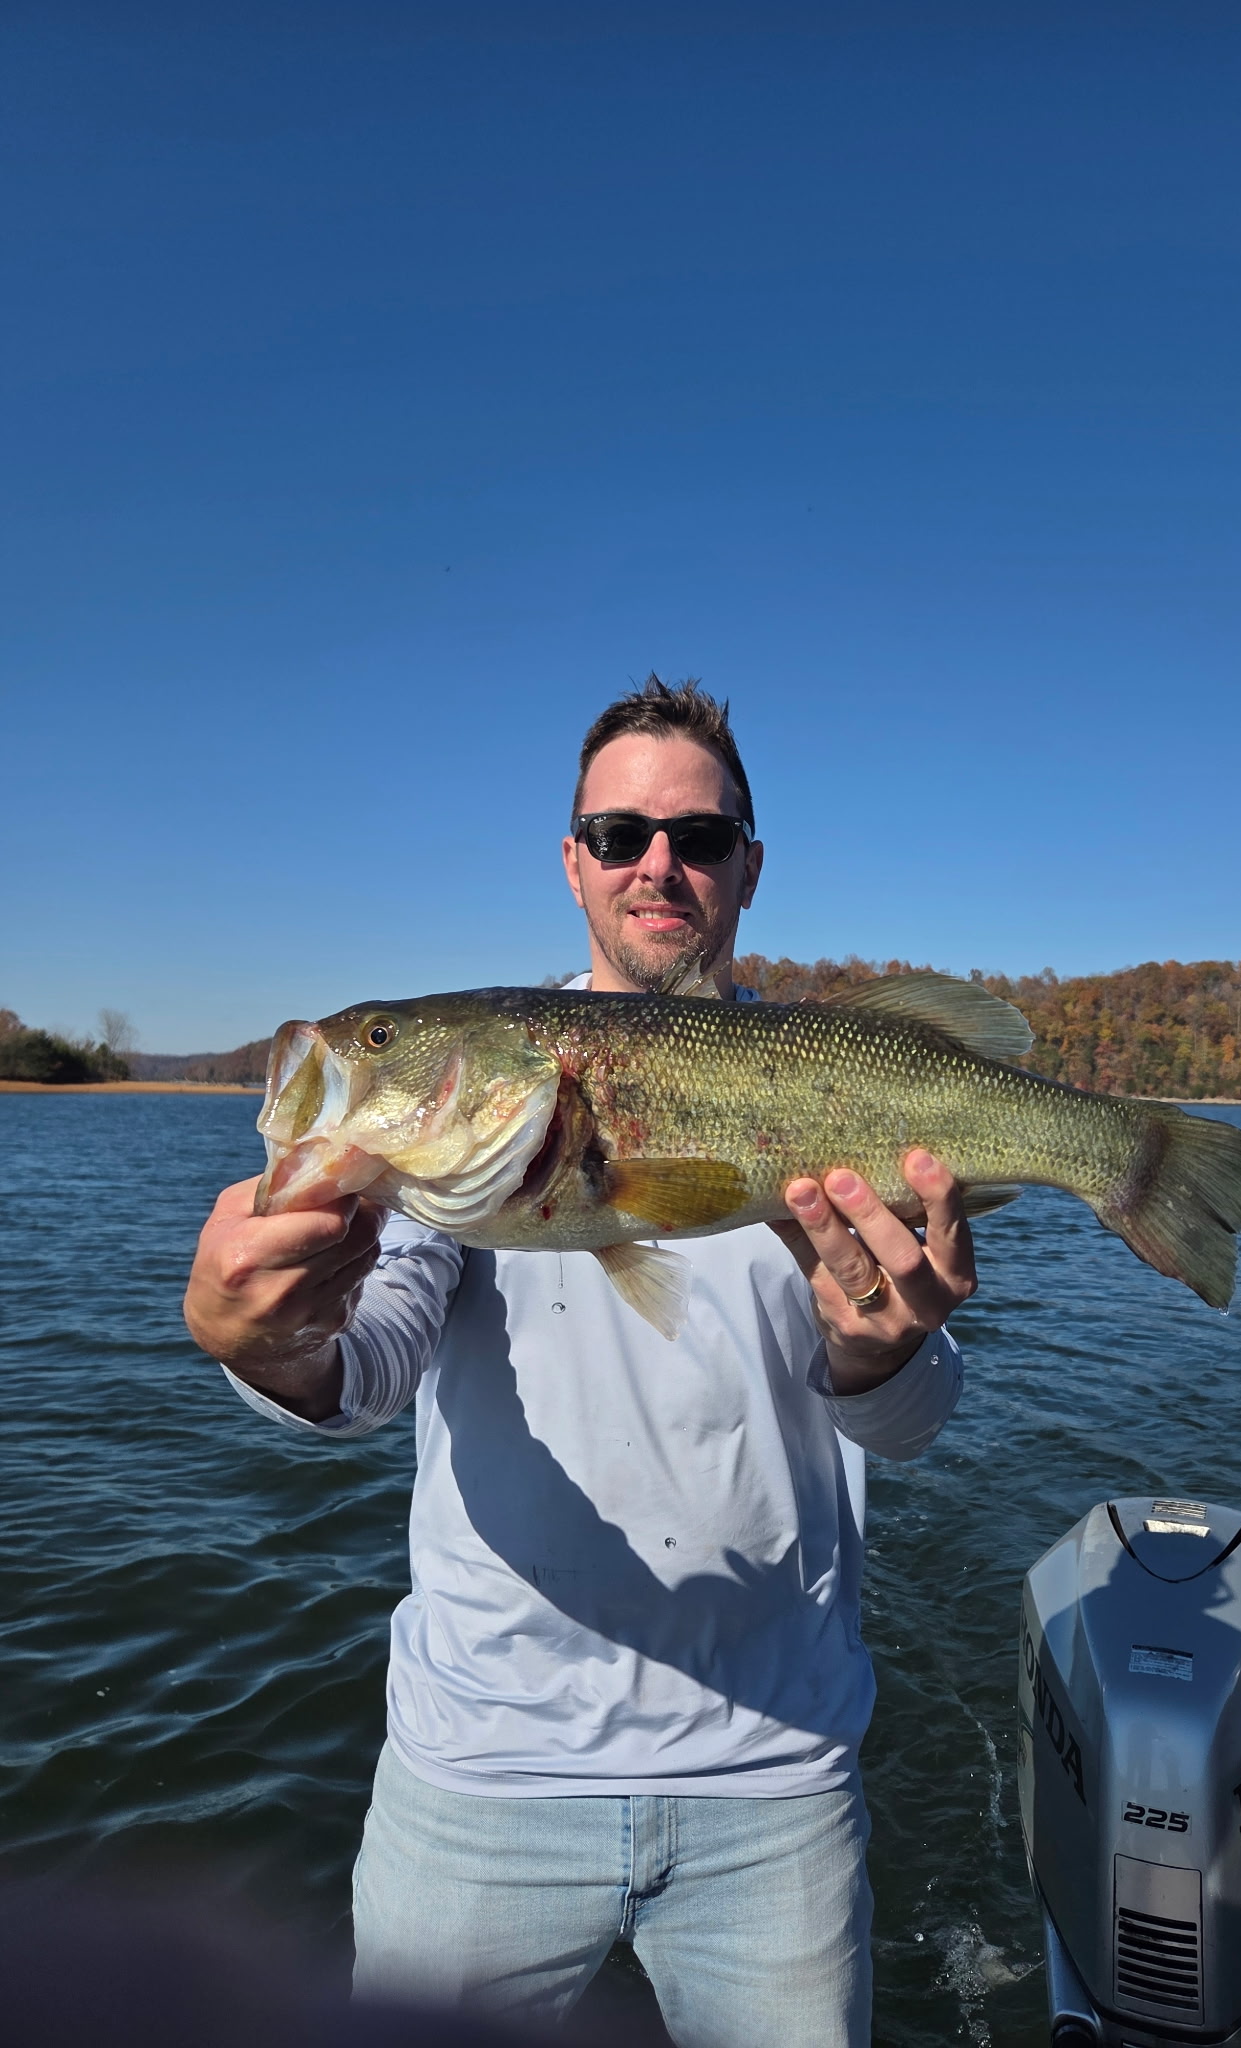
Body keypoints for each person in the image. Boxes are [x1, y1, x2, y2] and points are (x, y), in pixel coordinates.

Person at [184, 678, 978, 2048]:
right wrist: (269, 1341)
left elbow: (907, 1426)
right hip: (478, 1776)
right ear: (573, 863)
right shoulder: (459, 1149)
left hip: (774, 1776)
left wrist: (881, 1356)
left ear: (747, 867)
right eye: (618, 834)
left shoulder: (837, 1092)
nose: (657, 863)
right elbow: (364, 1373)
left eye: (699, 837)